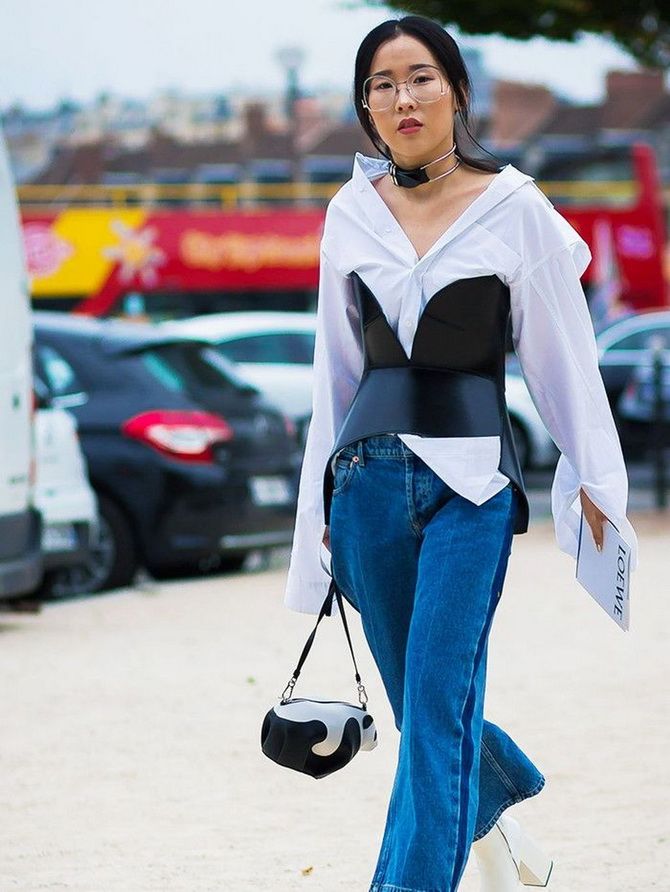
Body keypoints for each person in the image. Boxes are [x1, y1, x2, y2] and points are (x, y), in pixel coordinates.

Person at [283, 14, 639, 892]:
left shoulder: (518, 209)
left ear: (456, 90)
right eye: (381, 85)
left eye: (421, 78)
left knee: (438, 708)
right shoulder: (348, 212)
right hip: (365, 487)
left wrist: (595, 484)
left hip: (472, 490)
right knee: (423, 711)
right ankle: (499, 808)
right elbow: (333, 372)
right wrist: (314, 523)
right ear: (365, 106)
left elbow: (565, 362)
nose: (402, 99)